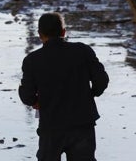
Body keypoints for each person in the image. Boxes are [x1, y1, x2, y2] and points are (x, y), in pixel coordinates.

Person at [18, 12, 109, 161]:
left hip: (51, 126)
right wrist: (89, 94)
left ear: (40, 35)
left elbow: (27, 95)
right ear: (64, 32)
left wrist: (35, 101)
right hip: (82, 123)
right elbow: (102, 81)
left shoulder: (32, 60)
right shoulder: (83, 51)